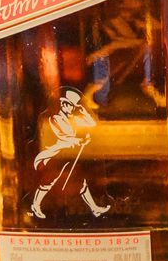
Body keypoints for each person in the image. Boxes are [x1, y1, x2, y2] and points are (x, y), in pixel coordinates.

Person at [30, 87, 111, 219]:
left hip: (70, 155)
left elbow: (92, 123)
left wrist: (83, 110)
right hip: (57, 154)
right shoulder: (55, 119)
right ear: (63, 104)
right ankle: (36, 205)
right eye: (68, 105)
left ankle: (94, 208)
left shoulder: (74, 118)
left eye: (72, 106)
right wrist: (78, 140)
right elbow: (61, 136)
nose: (70, 108)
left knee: (82, 183)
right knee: (49, 182)